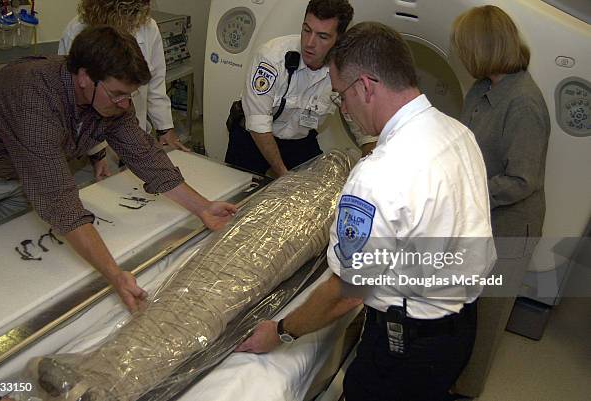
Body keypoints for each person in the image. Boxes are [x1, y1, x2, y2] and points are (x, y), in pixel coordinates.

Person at [236, 22, 496, 401]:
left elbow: (347, 293)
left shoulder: (377, 175)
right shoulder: (457, 132)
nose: (344, 107)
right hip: (461, 328)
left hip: (406, 346)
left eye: (341, 95)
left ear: (366, 87)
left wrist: (280, 331)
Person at [0, 26, 237, 312]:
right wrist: (115, 275)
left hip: (21, 176)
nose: (125, 104)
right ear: (84, 78)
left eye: (130, 95)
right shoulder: (32, 97)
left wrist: (203, 208)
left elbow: (145, 155)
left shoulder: (109, 101)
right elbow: (58, 198)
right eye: (117, 94)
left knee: (21, 260)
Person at [450, 5, 550, 397]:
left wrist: (466, 190)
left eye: (463, 47)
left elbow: (522, 180)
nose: (459, 55)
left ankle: (466, 390)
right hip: (479, 215)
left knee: (488, 316)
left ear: (482, 48)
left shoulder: (523, 102)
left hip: (509, 224)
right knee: (461, 306)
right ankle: (448, 374)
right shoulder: (481, 88)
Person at [225, 0, 374, 176]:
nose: (310, 43)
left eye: (322, 36)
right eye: (307, 30)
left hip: (299, 142)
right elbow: (258, 123)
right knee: (241, 195)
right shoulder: (272, 58)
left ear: (339, 39)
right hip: (252, 139)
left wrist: (367, 169)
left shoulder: (343, 71)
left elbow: (363, 129)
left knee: (317, 191)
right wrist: (283, 174)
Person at [59, 0, 188, 181]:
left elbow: (156, 82)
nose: (130, 20)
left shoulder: (148, 27)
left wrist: (165, 128)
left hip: (135, 132)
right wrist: (97, 153)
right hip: (93, 142)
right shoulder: (76, 30)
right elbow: (72, 100)